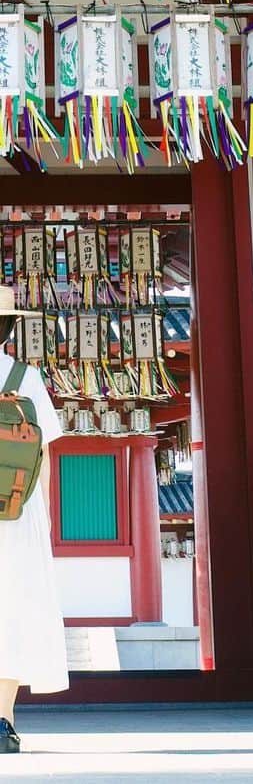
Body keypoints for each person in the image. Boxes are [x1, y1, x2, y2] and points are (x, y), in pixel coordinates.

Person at [0, 285, 68, 754]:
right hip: (14, 510)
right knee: (12, 613)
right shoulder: (26, 378)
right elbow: (43, 453)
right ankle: (2, 719)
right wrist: (39, 519)